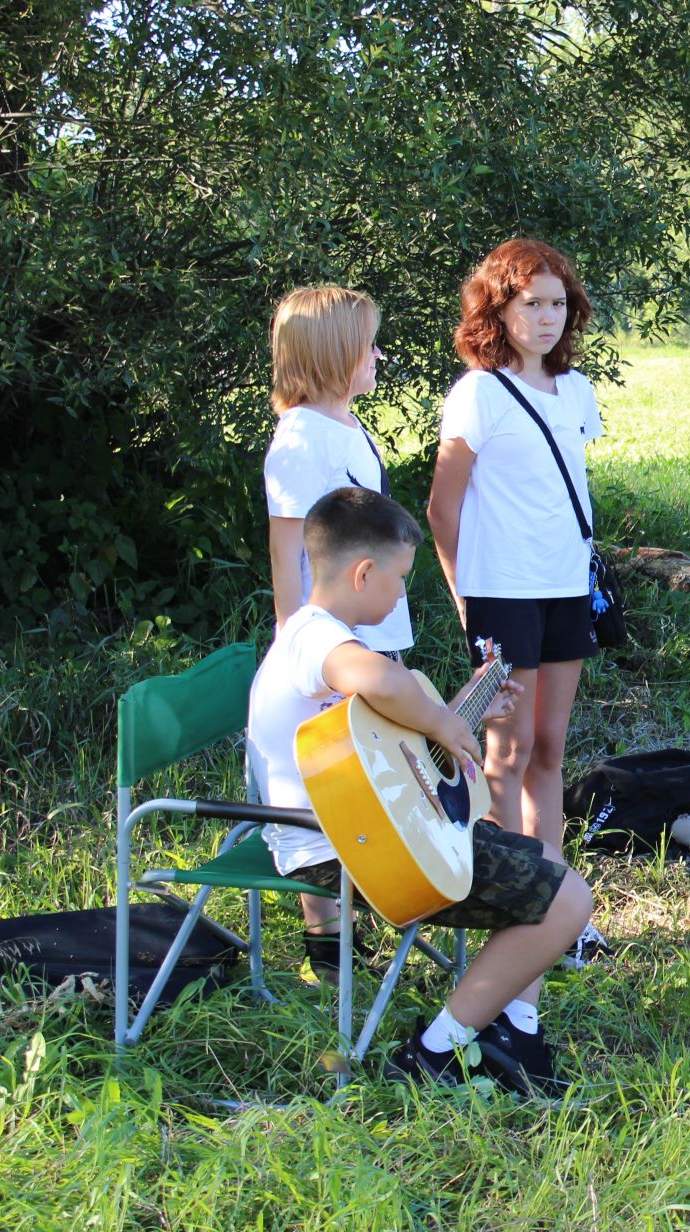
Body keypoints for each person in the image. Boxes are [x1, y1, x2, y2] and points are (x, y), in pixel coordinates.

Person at [247, 487, 595, 1095]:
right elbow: (382, 680)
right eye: (401, 578)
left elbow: (394, 751)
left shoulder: (330, 640)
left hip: (367, 830)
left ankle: (514, 1030)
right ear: (363, 572)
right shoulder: (314, 638)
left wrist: (461, 711)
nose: (404, 591)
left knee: (538, 865)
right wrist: (440, 720)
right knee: (568, 901)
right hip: (342, 851)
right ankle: (436, 1052)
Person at [428, 239, 607, 963]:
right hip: (501, 593)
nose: (546, 317)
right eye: (530, 302)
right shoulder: (478, 391)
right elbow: (444, 507)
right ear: (496, 308)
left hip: (567, 588)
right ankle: (510, 905)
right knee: (505, 751)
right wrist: (465, 600)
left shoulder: (579, 389)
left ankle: (557, 901)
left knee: (550, 748)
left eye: (558, 303)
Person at [263, 284, 412, 981]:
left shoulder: (350, 426)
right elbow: (290, 575)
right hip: (335, 651)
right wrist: (312, 654)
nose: (379, 354)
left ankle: (362, 938)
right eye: (367, 345)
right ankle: (330, 956)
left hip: (376, 629)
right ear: (330, 355)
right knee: (335, 794)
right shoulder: (298, 440)